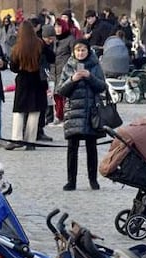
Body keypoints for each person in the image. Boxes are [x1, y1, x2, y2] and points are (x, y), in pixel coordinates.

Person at [55, 39, 107, 191]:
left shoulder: (95, 65)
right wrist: (72, 80)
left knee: (92, 148)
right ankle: (71, 181)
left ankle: (93, 180)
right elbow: (61, 90)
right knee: (72, 148)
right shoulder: (69, 66)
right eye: (78, 50)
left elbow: (102, 86)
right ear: (73, 52)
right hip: (73, 113)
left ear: (88, 51)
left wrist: (90, 77)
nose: (80, 53)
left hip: (91, 112)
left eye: (83, 50)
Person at [5, 21, 44, 150]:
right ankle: (30, 141)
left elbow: (13, 67)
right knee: (34, 111)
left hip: (22, 79)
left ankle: (16, 138)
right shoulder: (39, 44)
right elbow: (50, 57)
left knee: (19, 110)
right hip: (37, 79)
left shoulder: (18, 47)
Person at [52, 18, 75, 126]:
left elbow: (73, 55)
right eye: (55, 26)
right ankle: (58, 115)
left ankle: (66, 116)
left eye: (59, 26)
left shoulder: (70, 39)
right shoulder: (54, 40)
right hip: (54, 70)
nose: (57, 29)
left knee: (64, 94)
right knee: (56, 95)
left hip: (65, 71)